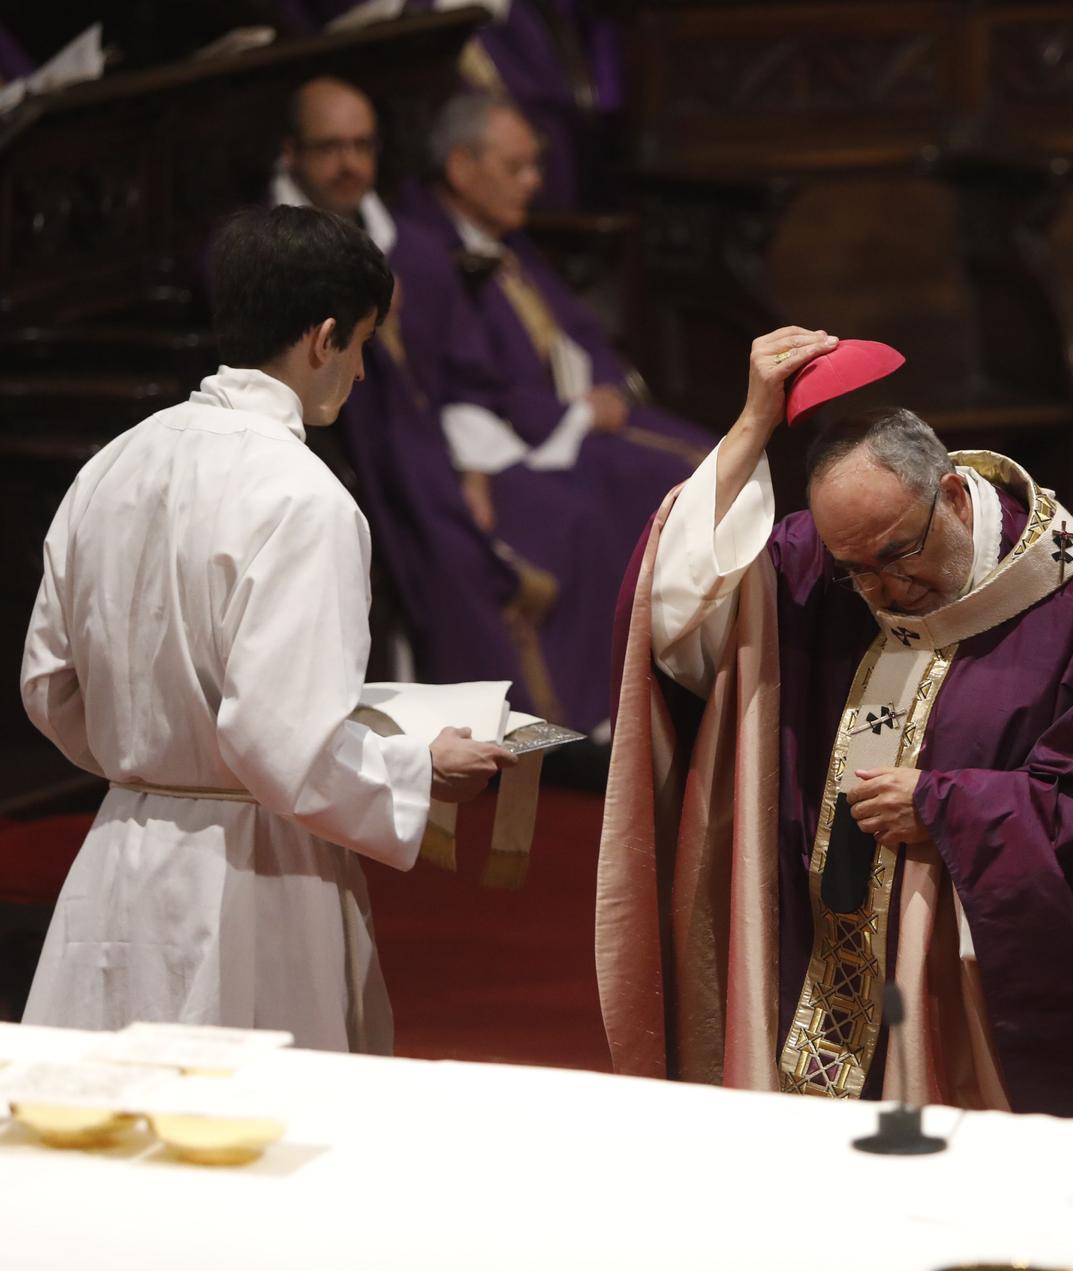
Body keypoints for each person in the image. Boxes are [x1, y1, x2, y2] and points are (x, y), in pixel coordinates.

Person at [596, 329, 1073, 1120]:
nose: (884, 591)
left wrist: (950, 805)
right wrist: (753, 424)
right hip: (821, 954)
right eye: (857, 570)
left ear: (953, 497)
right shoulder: (824, 567)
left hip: (966, 985)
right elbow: (676, 607)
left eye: (899, 554)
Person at [20, 206, 514, 1053]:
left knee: (102, 1137)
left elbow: (49, 682)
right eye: (360, 343)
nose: (360, 372)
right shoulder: (304, 498)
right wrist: (417, 766)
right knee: (245, 1147)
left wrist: (155, 758)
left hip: (116, 850)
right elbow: (278, 741)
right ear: (322, 337)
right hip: (252, 879)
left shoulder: (113, 462)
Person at [394, 90, 701, 732]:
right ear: (460, 167)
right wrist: (574, 415)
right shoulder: (426, 252)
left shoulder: (509, 239)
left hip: (565, 419)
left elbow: (578, 331)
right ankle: (613, 702)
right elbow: (466, 380)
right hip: (512, 439)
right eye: (517, 167)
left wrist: (606, 391)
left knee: (709, 466)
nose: (534, 182)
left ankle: (684, 678)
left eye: (535, 165)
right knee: (657, 491)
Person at [274, 76, 576, 724]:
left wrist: (472, 468)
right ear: (290, 153)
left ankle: (512, 722)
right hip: (333, 449)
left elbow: (462, 376)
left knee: (540, 513)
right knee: (438, 546)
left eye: (362, 145)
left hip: (426, 454)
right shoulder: (269, 252)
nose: (350, 163)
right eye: (330, 147)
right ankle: (457, 727)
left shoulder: (417, 251)